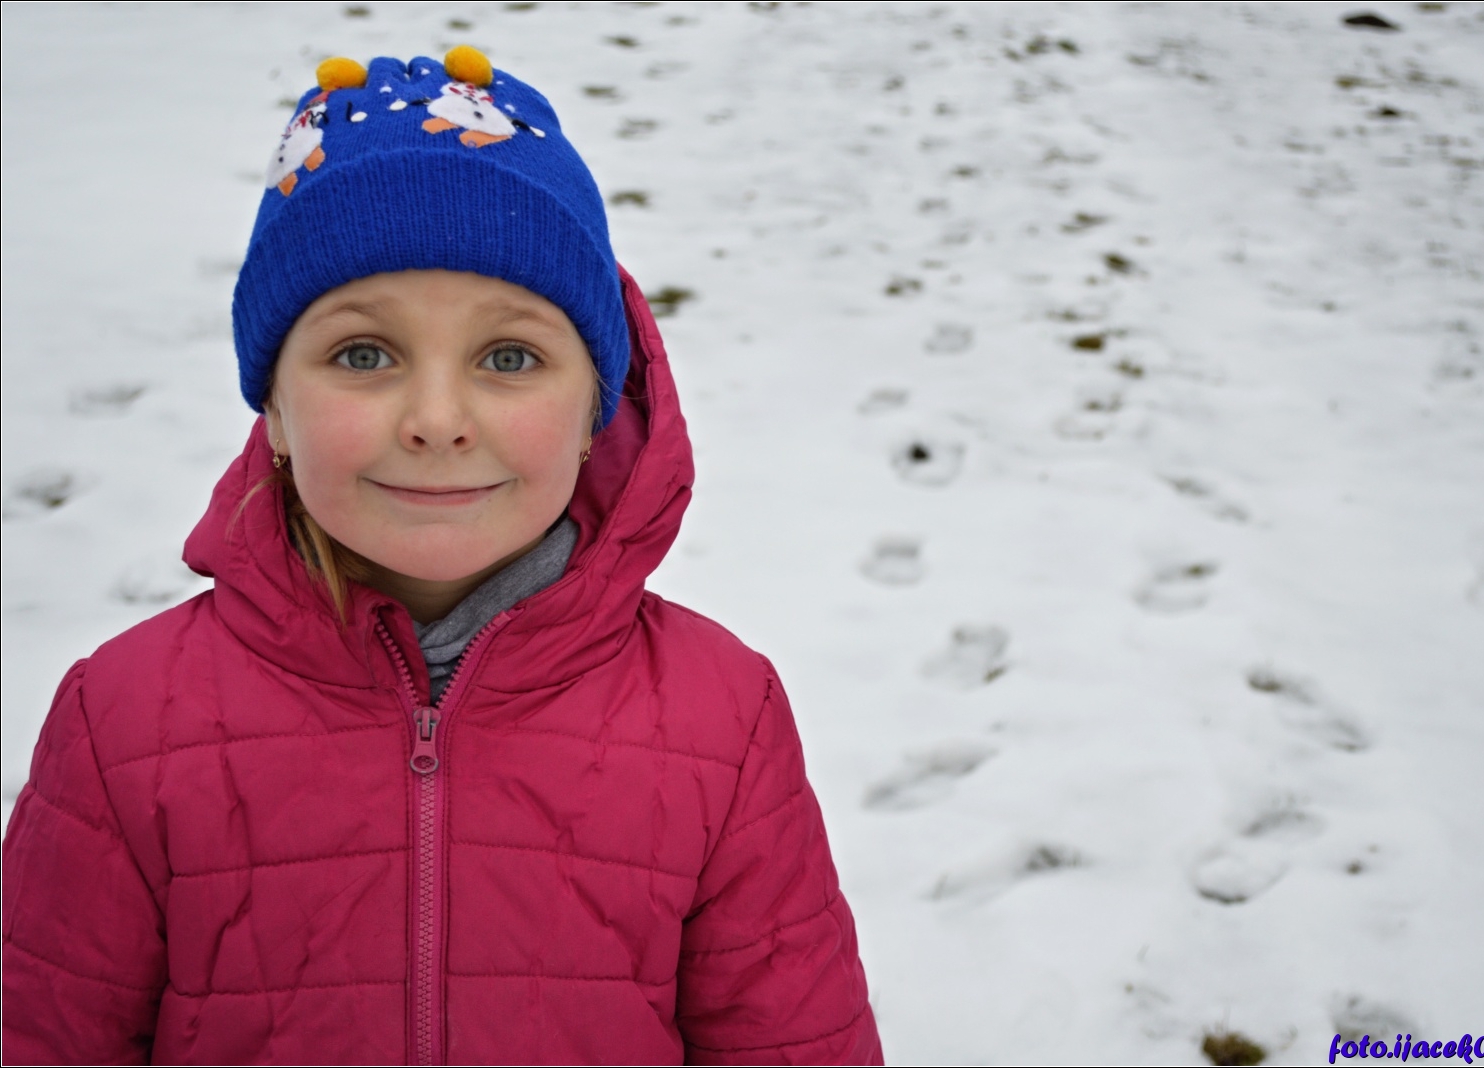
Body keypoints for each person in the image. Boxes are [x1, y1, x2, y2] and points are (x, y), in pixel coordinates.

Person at [1, 47, 882, 1065]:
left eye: (508, 357)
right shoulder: (125, 723)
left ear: (596, 414)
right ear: (274, 410)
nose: (435, 418)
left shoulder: (720, 718)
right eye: (362, 354)